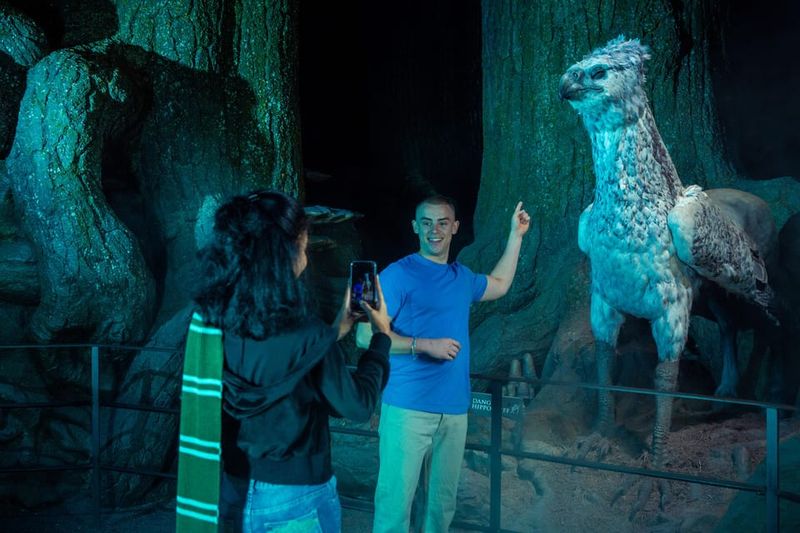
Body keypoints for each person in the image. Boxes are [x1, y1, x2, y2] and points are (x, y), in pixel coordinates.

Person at [190, 189, 392, 533]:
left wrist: (334, 331)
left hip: (232, 486)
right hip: (296, 495)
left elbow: (290, 368)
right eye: (305, 238)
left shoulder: (212, 321)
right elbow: (357, 406)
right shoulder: (305, 333)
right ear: (290, 247)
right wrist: (381, 338)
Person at [360, 194, 530, 532]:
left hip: (454, 411)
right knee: (395, 504)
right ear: (415, 227)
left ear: (454, 227)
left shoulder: (461, 277)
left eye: (442, 223)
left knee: (442, 505)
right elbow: (365, 337)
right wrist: (424, 345)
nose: (434, 230)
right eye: (426, 222)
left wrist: (516, 235)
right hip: (408, 410)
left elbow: (499, 285)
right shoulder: (397, 274)